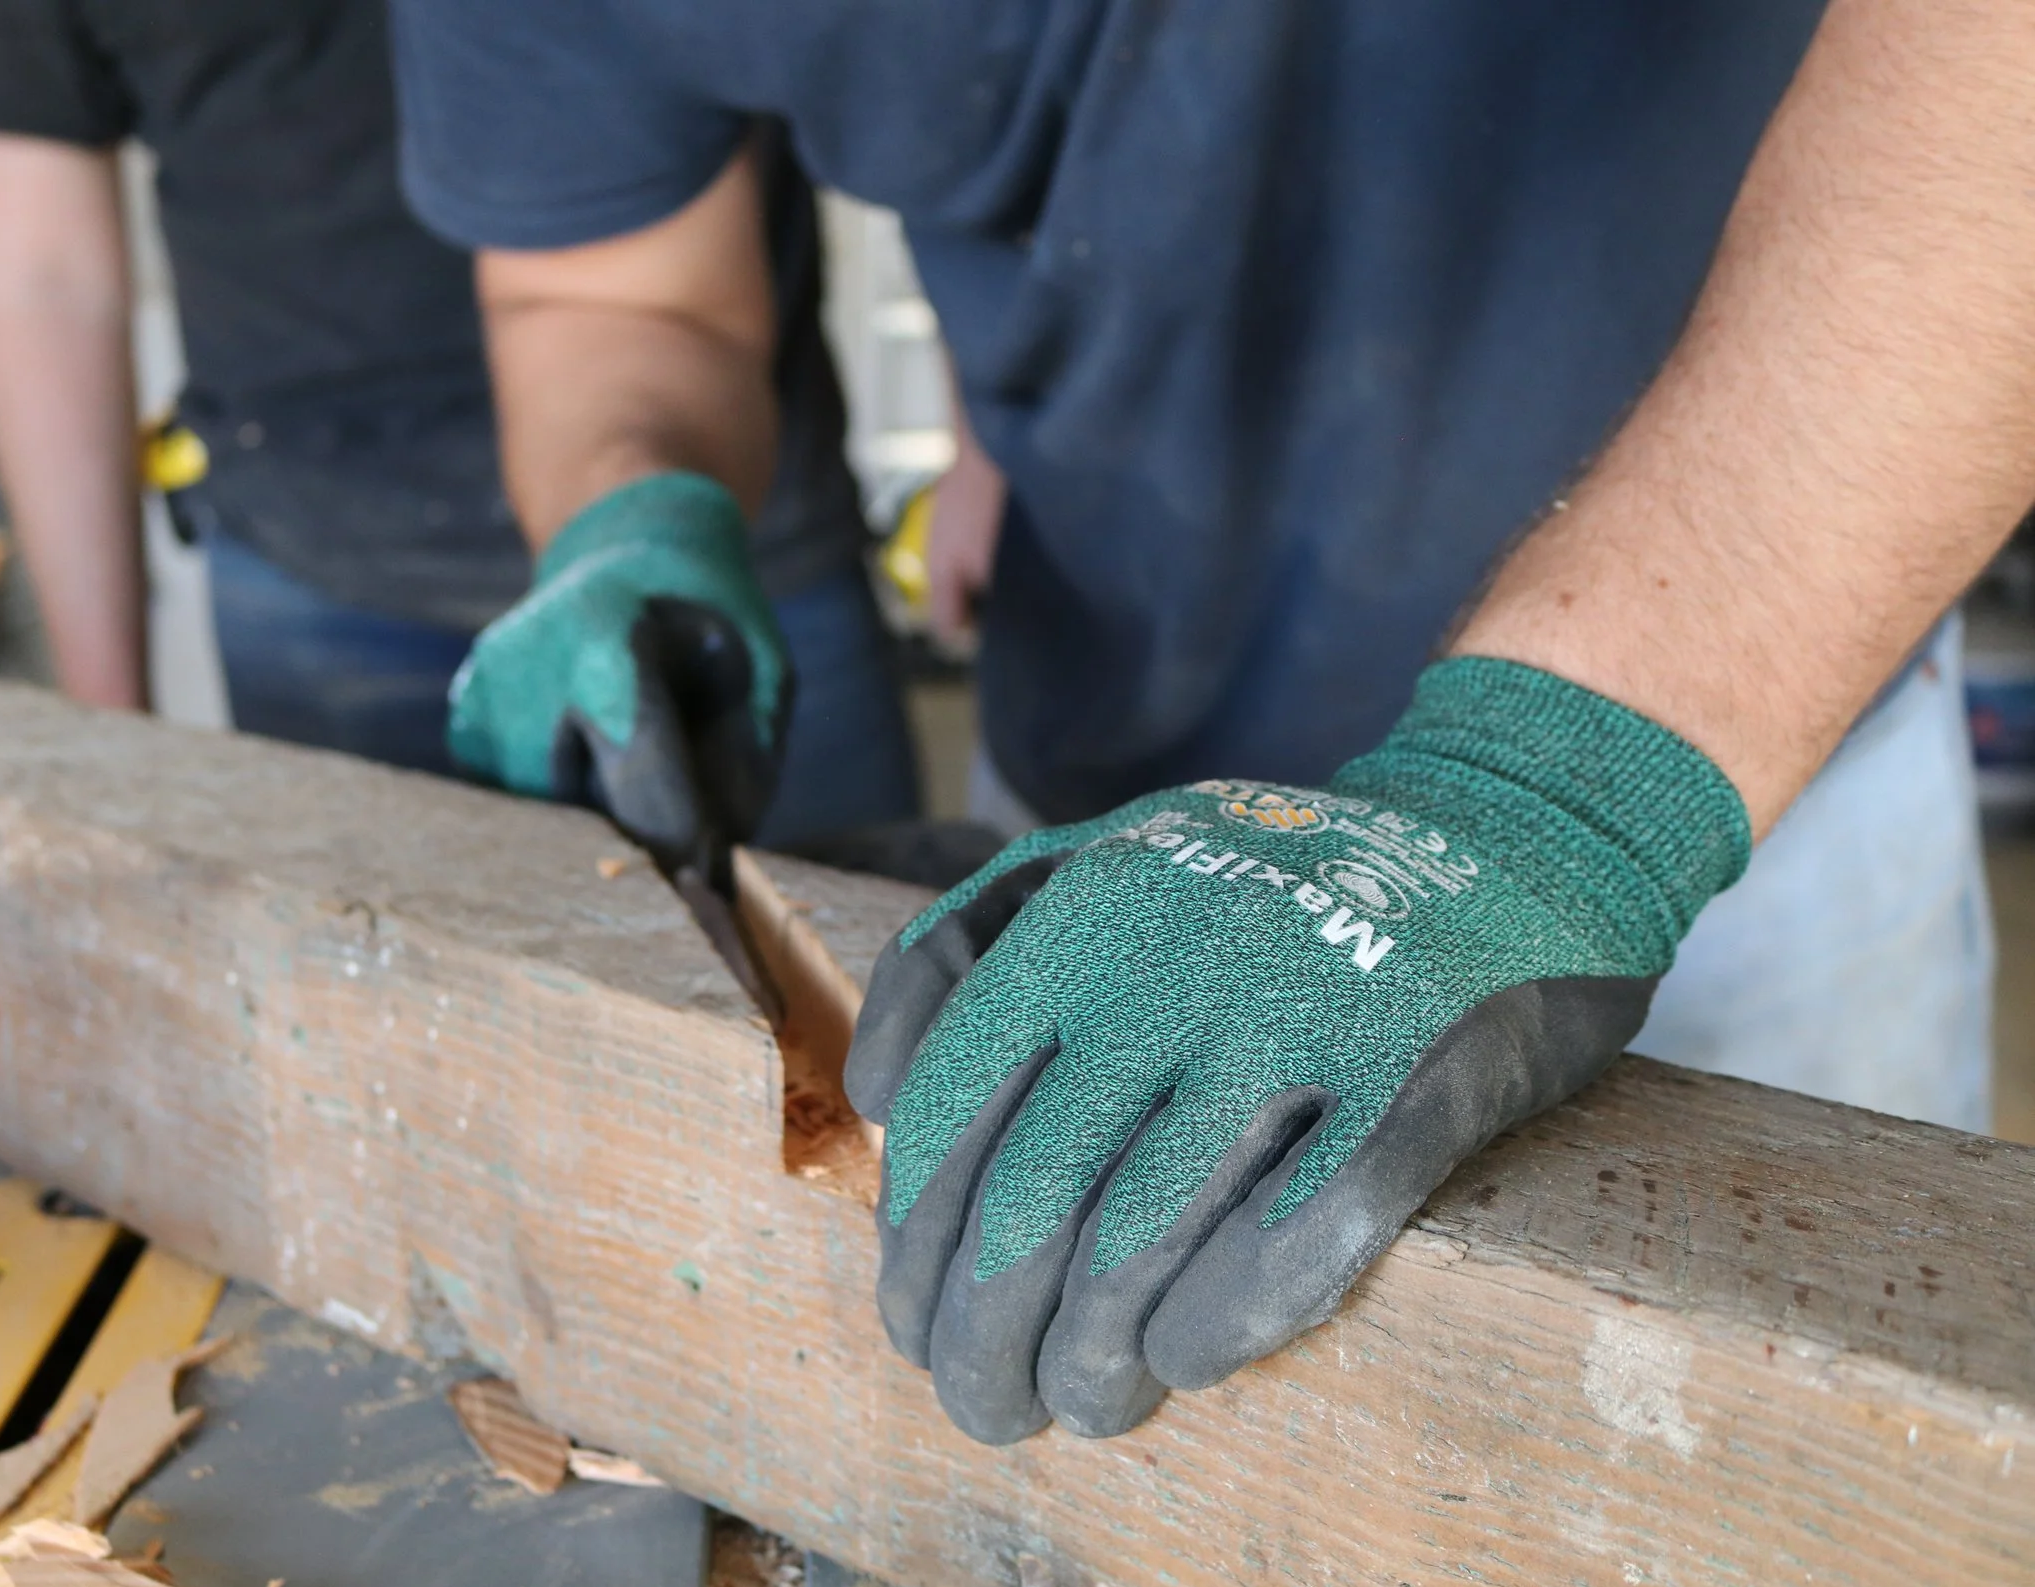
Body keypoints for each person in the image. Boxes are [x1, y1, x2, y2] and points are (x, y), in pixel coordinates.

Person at [387, 0, 2030, 1444]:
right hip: (1113, 801)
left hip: (1715, 767)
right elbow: (614, 298)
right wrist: (628, 506)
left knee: (1785, 1486)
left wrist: (1558, 789)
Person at [0, 0, 919, 854]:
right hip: (319, 565)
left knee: (864, 983)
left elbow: (943, 98)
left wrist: (981, 443)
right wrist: (109, 725)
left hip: (721, 512)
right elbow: (42, 278)